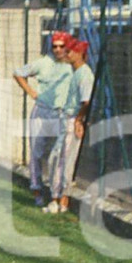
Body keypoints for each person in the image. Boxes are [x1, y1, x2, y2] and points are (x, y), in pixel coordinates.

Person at [13, 32, 74, 208]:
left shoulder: (72, 65)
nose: (58, 50)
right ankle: (37, 190)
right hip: (42, 112)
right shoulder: (43, 63)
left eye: (62, 46)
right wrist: (31, 92)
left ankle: (59, 193)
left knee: (60, 155)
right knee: (36, 153)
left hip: (62, 113)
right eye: (55, 46)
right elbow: (18, 73)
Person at [47, 38, 95, 214]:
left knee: (62, 161)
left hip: (71, 120)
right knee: (58, 160)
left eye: (70, 52)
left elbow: (86, 101)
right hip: (65, 119)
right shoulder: (76, 73)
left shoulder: (84, 74)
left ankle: (59, 200)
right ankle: (59, 199)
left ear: (80, 54)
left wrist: (78, 121)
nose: (66, 54)